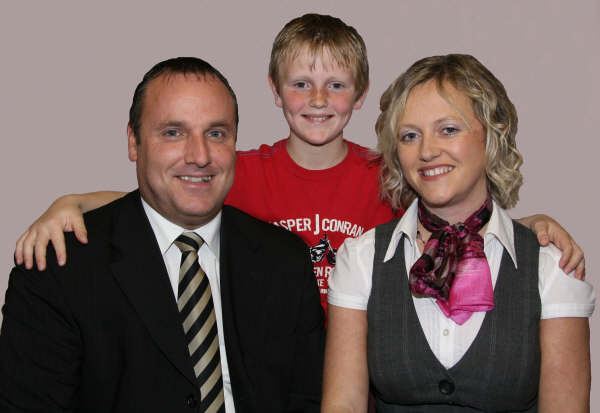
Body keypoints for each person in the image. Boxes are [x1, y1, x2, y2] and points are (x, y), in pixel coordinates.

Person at [13, 15, 586, 320]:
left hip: (361, 354)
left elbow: (454, 214)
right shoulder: (242, 168)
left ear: (360, 96)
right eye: (301, 84)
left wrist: (530, 222)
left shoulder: (387, 172)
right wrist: (71, 204)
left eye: (335, 85)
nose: (317, 99)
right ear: (275, 91)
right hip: (270, 356)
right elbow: (161, 194)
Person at [0, 57, 325, 412]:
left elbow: (307, 400)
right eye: (173, 133)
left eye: (216, 134)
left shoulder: (286, 261)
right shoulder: (59, 267)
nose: (199, 156)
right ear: (134, 142)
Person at [322, 54, 594, 412]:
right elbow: (343, 405)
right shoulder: (360, 259)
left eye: (448, 129)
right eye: (409, 136)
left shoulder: (550, 266)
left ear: (491, 134)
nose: (428, 151)